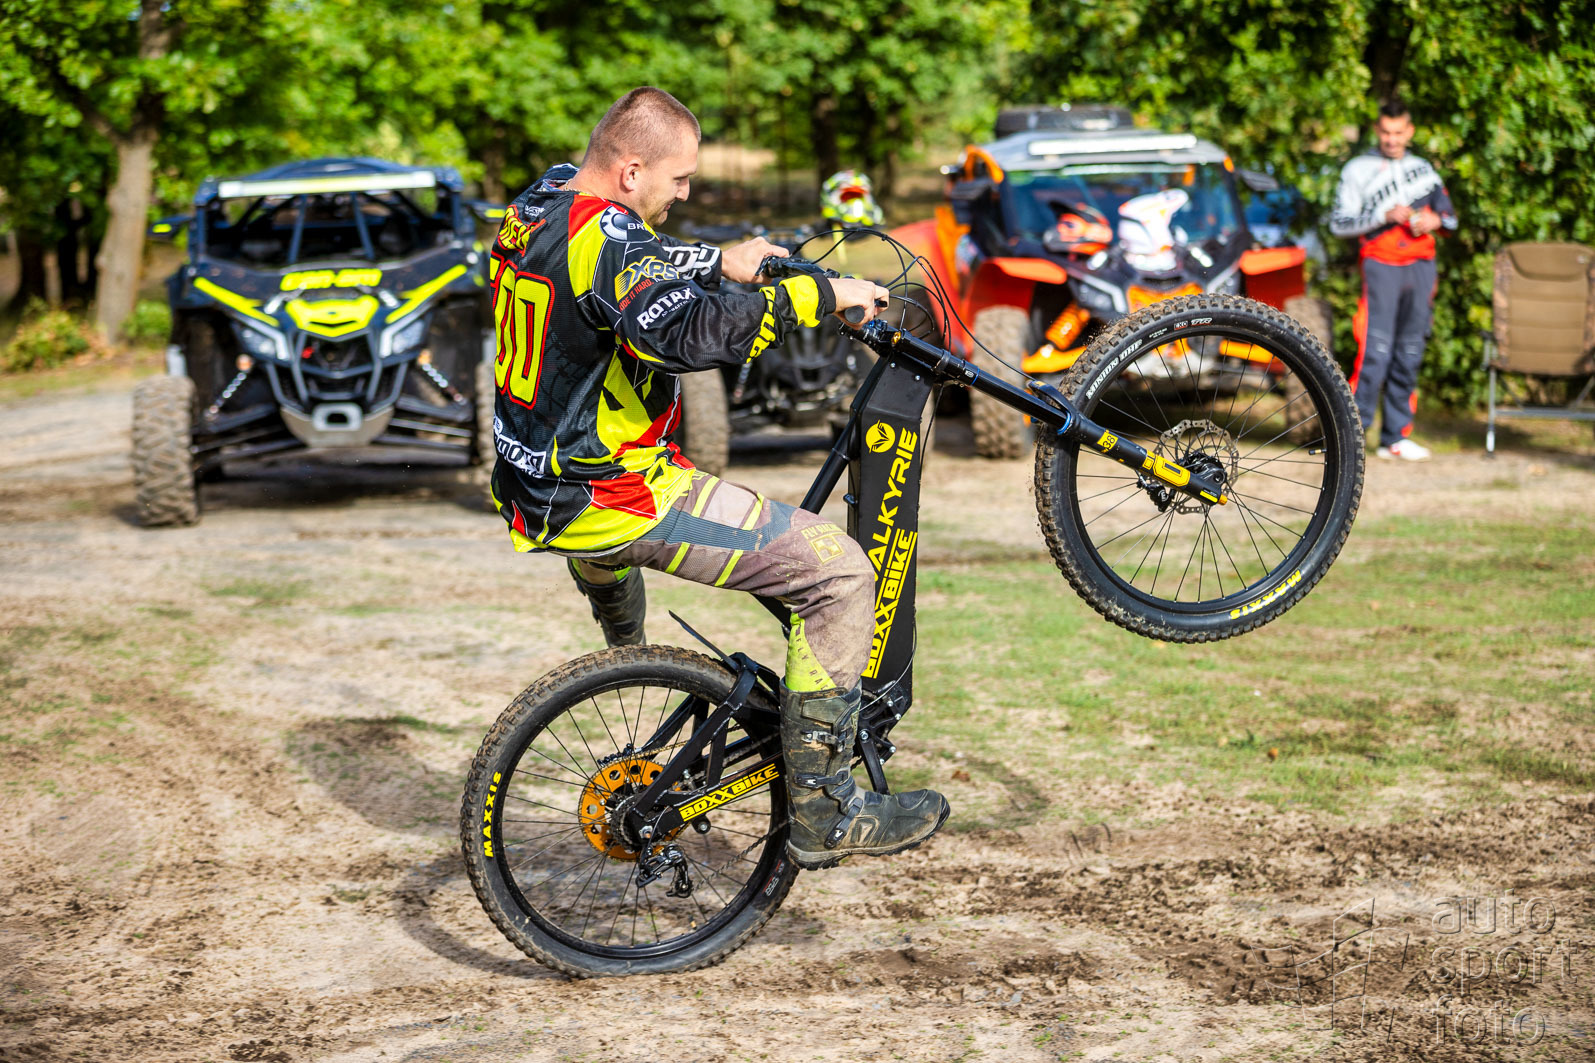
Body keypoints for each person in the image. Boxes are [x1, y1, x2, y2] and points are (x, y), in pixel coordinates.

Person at [484, 87, 950, 870]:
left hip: (535, 481)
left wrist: (719, 259)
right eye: (679, 179)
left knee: (650, 548)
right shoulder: (612, 242)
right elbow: (692, 335)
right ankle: (825, 812)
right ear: (631, 172)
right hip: (612, 492)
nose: (686, 193)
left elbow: (629, 255)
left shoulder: (542, 199)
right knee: (838, 572)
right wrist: (817, 293)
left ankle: (621, 634)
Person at [1330, 99, 1457, 461]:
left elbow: (1451, 219)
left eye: (1398, 132)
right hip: (1381, 265)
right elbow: (1339, 223)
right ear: (1377, 130)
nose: (1392, 139)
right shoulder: (1357, 170)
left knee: (1410, 351)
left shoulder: (1424, 170)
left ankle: (1395, 438)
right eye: (1386, 132)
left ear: (1409, 131)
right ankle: (1351, 439)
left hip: (1421, 266)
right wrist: (1382, 215)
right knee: (1375, 351)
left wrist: (1434, 221)